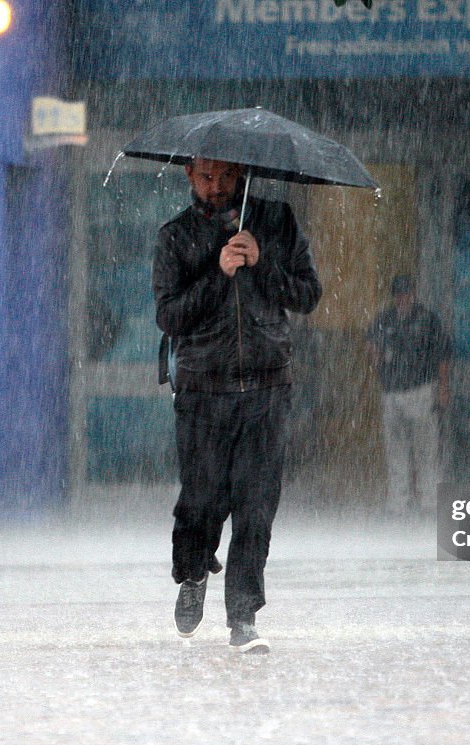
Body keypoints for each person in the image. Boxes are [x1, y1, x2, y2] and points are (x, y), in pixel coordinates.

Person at [153, 158, 321, 653]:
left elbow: (308, 294)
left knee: (255, 506)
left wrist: (261, 262)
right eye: (206, 177)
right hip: (204, 388)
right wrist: (219, 273)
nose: (217, 186)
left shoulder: (276, 221)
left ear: (243, 173)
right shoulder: (175, 237)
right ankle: (193, 572)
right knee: (201, 501)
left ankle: (243, 614)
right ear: (189, 176)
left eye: (226, 176)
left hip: (268, 387)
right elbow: (170, 317)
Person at [366, 275, 451, 516]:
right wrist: (377, 357)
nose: (402, 298)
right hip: (392, 392)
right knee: (396, 449)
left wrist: (443, 388)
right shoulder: (385, 319)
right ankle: (398, 503)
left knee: (426, 448)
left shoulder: (427, 320)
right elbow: (371, 346)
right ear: (394, 296)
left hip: (421, 390)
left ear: (413, 293)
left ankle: (430, 502)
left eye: (406, 293)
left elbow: (443, 354)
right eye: (399, 293)